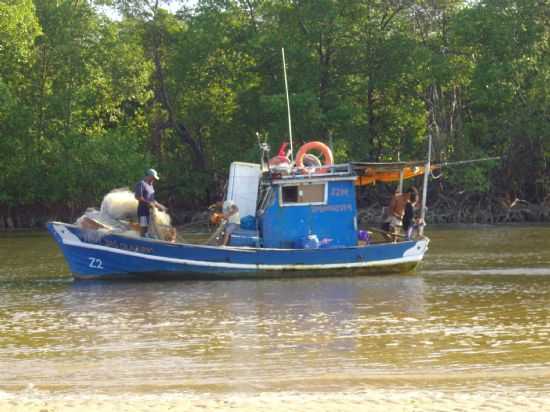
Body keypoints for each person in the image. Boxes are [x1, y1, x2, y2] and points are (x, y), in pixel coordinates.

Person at [134, 168, 166, 237]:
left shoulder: (151, 186)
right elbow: (138, 197)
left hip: (150, 211)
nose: (154, 180)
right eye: (153, 178)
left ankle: (148, 239)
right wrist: (149, 202)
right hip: (143, 211)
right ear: (149, 176)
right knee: (143, 227)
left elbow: (152, 199)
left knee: (151, 229)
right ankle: (142, 241)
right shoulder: (141, 184)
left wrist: (159, 205)